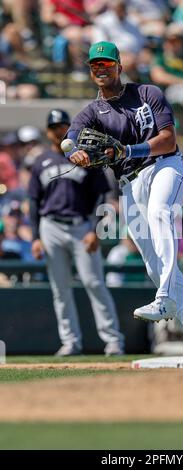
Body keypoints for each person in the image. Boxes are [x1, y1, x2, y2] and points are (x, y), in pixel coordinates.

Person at [67, 40, 183, 371]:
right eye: (95, 65)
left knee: (159, 213)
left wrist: (129, 151)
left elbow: (168, 139)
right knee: (156, 267)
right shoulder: (93, 112)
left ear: (119, 67)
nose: (100, 70)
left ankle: (164, 299)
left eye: (106, 64)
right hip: (130, 185)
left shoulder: (147, 94)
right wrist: (73, 152)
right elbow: (72, 133)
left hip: (166, 167)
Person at [28, 108, 124, 357]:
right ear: (48, 132)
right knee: (60, 289)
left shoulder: (86, 157)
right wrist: (36, 237)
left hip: (81, 226)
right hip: (50, 227)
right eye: (55, 126)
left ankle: (113, 340)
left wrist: (94, 229)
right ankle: (70, 342)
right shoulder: (41, 161)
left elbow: (102, 196)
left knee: (94, 283)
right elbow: (33, 202)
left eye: (63, 125)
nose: (60, 130)